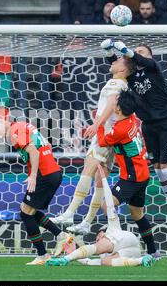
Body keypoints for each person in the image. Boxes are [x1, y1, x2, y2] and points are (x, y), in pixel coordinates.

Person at [47, 92, 157, 268]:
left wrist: (99, 124)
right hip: (142, 174)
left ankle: (116, 236)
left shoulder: (120, 129)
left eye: (115, 103)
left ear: (119, 108)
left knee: (107, 204)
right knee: (137, 214)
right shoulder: (130, 122)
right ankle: (153, 251)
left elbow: (104, 141)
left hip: (131, 177)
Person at [102, 40, 167, 233]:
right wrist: (109, 50)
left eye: (141, 52)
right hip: (148, 125)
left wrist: (126, 49)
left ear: (149, 56)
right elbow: (116, 66)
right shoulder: (131, 76)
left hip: (165, 123)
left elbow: (138, 58)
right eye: (135, 51)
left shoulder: (153, 69)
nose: (135, 54)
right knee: (158, 169)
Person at [51, 52, 134, 235]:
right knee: (100, 177)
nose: (114, 62)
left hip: (106, 133)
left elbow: (112, 104)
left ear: (122, 68)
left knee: (89, 168)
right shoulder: (124, 84)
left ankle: (70, 213)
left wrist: (97, 124)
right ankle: (87, 222)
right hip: (113, 134)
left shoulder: (116, 82)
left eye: (118, 61)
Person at [0, 117, 72, 265]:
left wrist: (33, 175)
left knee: (25, 213)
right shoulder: (24, 125)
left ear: (0, 123)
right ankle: (60, 235)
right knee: (27, 210)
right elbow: (47, 145)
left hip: (45, 175)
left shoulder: (14, 131)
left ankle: (43, 255)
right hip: (53, 172)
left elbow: (34, 151)